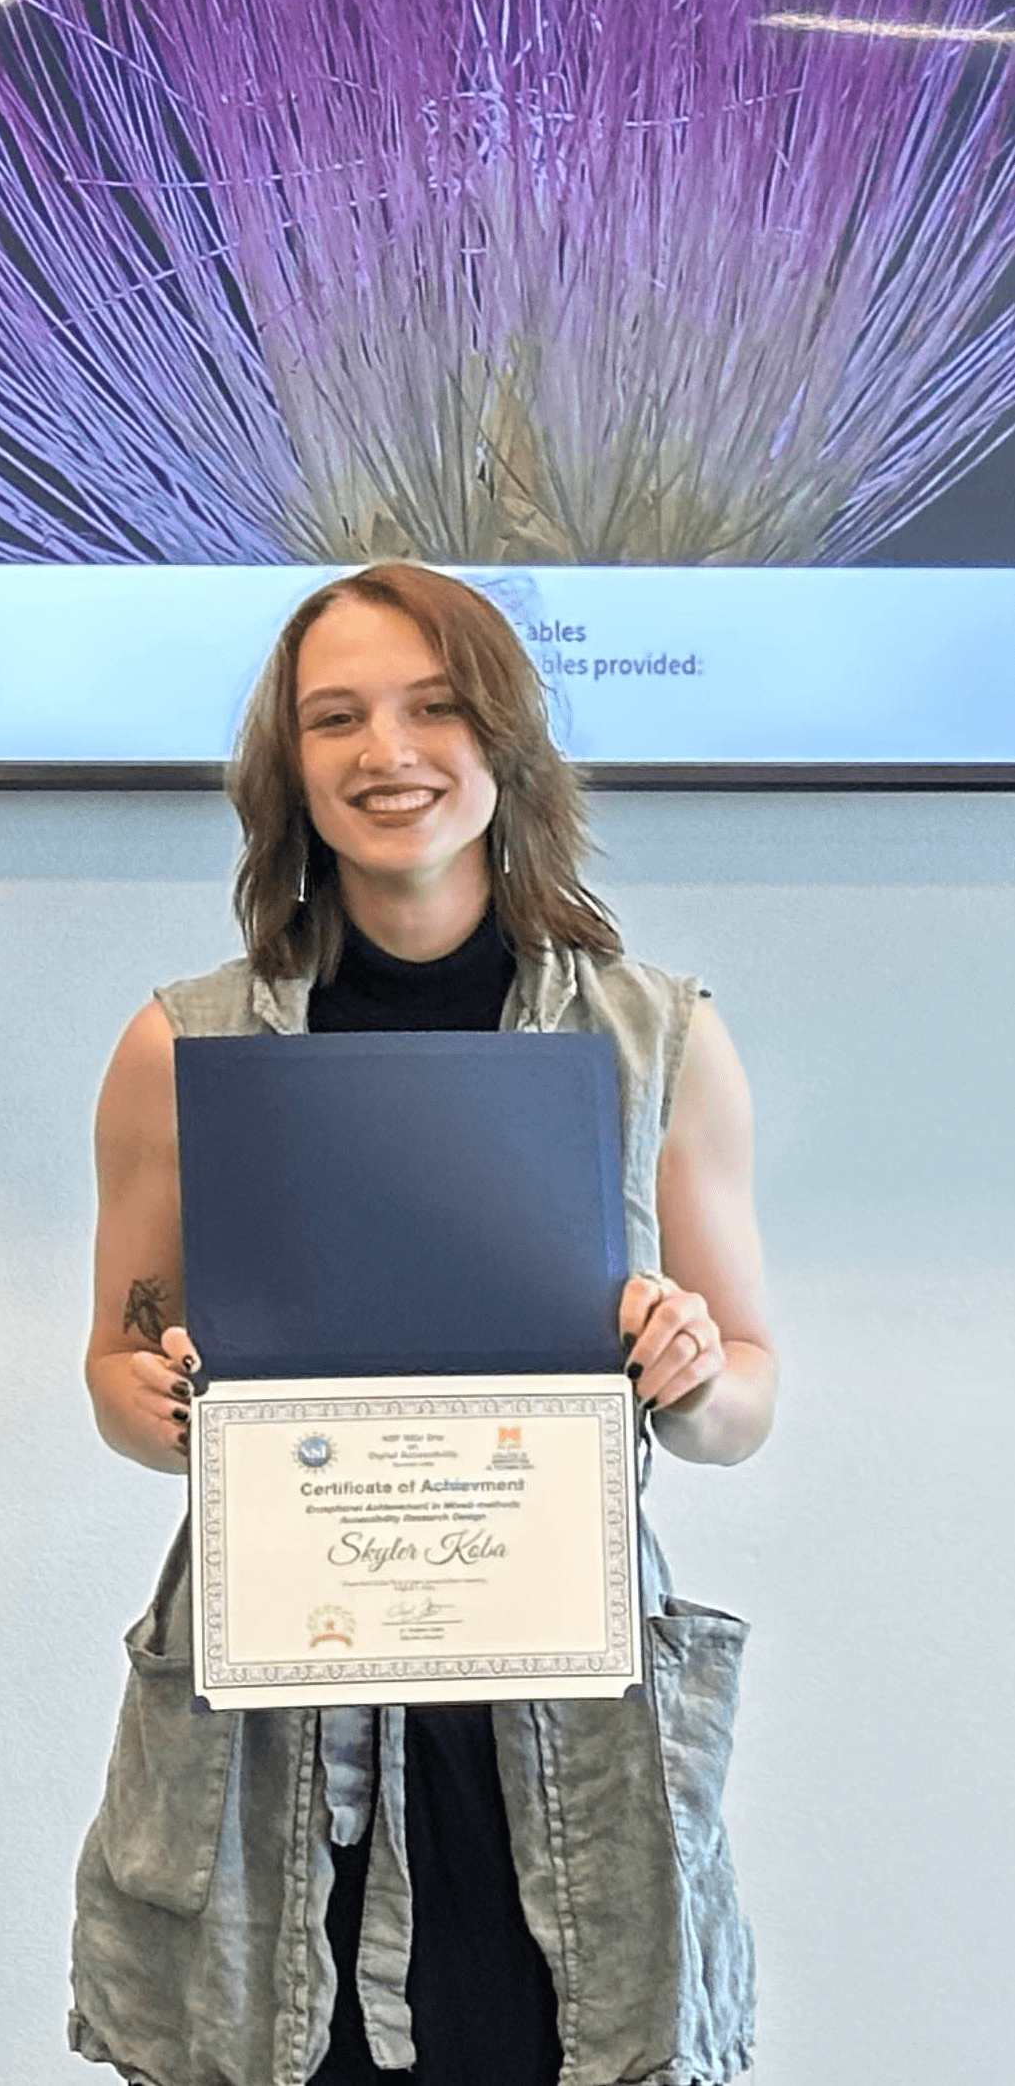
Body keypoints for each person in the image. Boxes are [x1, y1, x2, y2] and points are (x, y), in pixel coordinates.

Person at [69, 563, 775, 2086]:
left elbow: (745, 1400)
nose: (387, 753)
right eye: (337, 719)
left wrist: (693, 1370)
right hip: (273, 1723)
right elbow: (118, 1369)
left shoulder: (657, 1035)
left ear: (504, 738)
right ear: (290, 766)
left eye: (433, 708)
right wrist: (159, 1398)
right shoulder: (180, 1044)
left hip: (563, 1727)